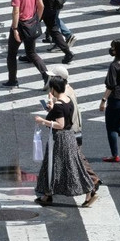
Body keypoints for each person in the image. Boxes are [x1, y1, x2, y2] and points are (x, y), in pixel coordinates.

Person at [33, 76, 97, 207]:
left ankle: (89, 190)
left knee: (57, 166)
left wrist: (42, 121)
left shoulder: (59, 105)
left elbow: (60, 124)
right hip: (69, 137)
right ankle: (47, 194)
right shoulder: (68, 100)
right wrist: (52, 106)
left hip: (60, 139)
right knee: (67, 166)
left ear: (54, 89)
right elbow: (63, 116)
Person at [46, 66, 100, 190]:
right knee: (76, 156)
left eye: (52, 77)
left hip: (70, 129)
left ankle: (92, 181)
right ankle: (92, 179)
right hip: (75, 125)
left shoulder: (60, 94)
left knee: (75, 157)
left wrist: (51, 106)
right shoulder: (69, 88)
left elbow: (60, 113)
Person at [4, 0, 47, 88]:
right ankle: (46, 75)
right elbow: (41, 6)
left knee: (12, 54)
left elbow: (16, 12)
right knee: (32, 53)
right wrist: (37, 20)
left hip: (21, 26)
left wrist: (15, 29)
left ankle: (12, 80)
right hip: (32, 24)